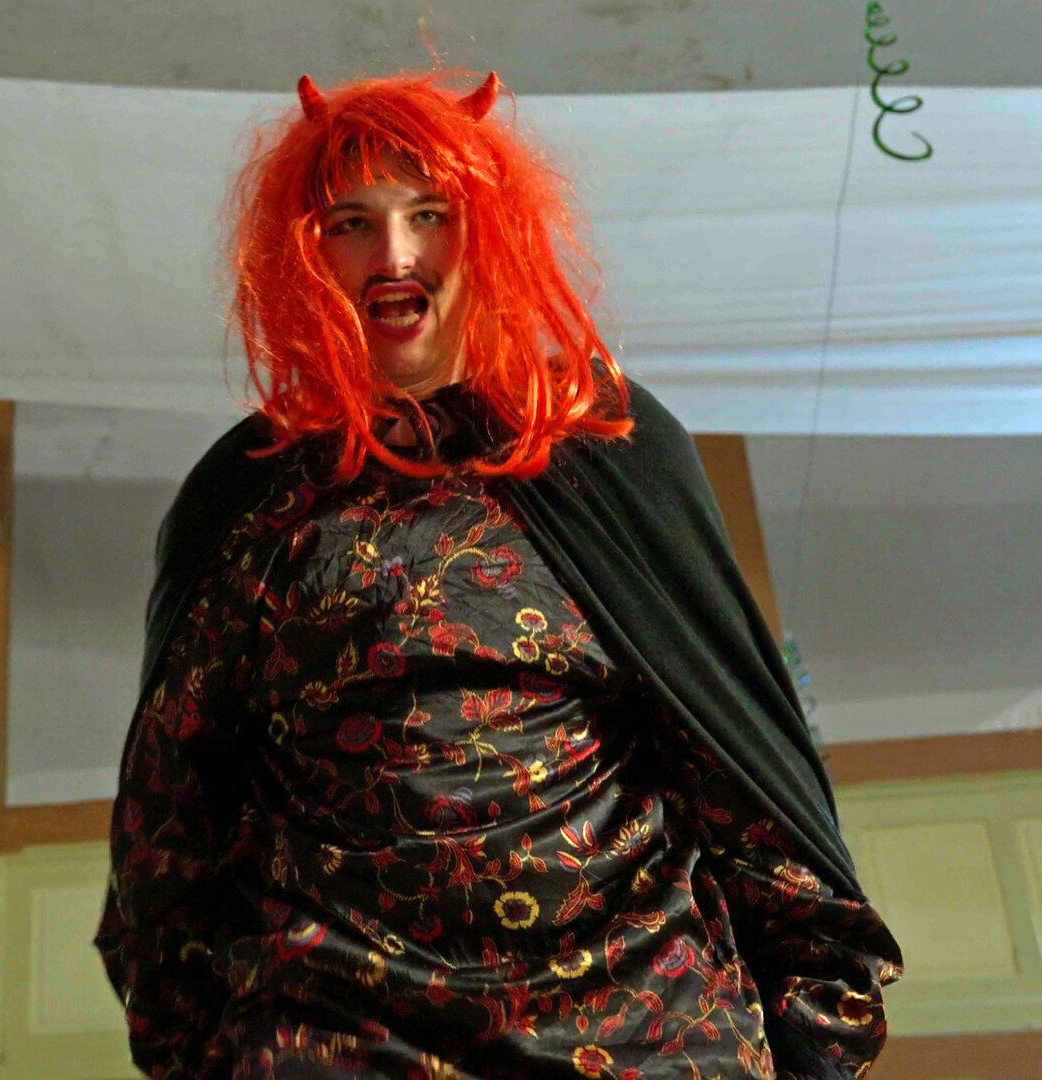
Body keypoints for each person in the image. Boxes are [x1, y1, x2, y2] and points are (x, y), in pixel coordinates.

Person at [95, 71, 901, 1080]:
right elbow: (169, 827)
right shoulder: (249, 494)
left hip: (645, 1038)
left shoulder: (606, 443)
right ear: (304, 256)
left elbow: (739, 766)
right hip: (340, 1043)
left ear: (490, 231)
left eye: (429, 214)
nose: (395, 254)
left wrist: (814, 1034)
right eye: (351, 223)